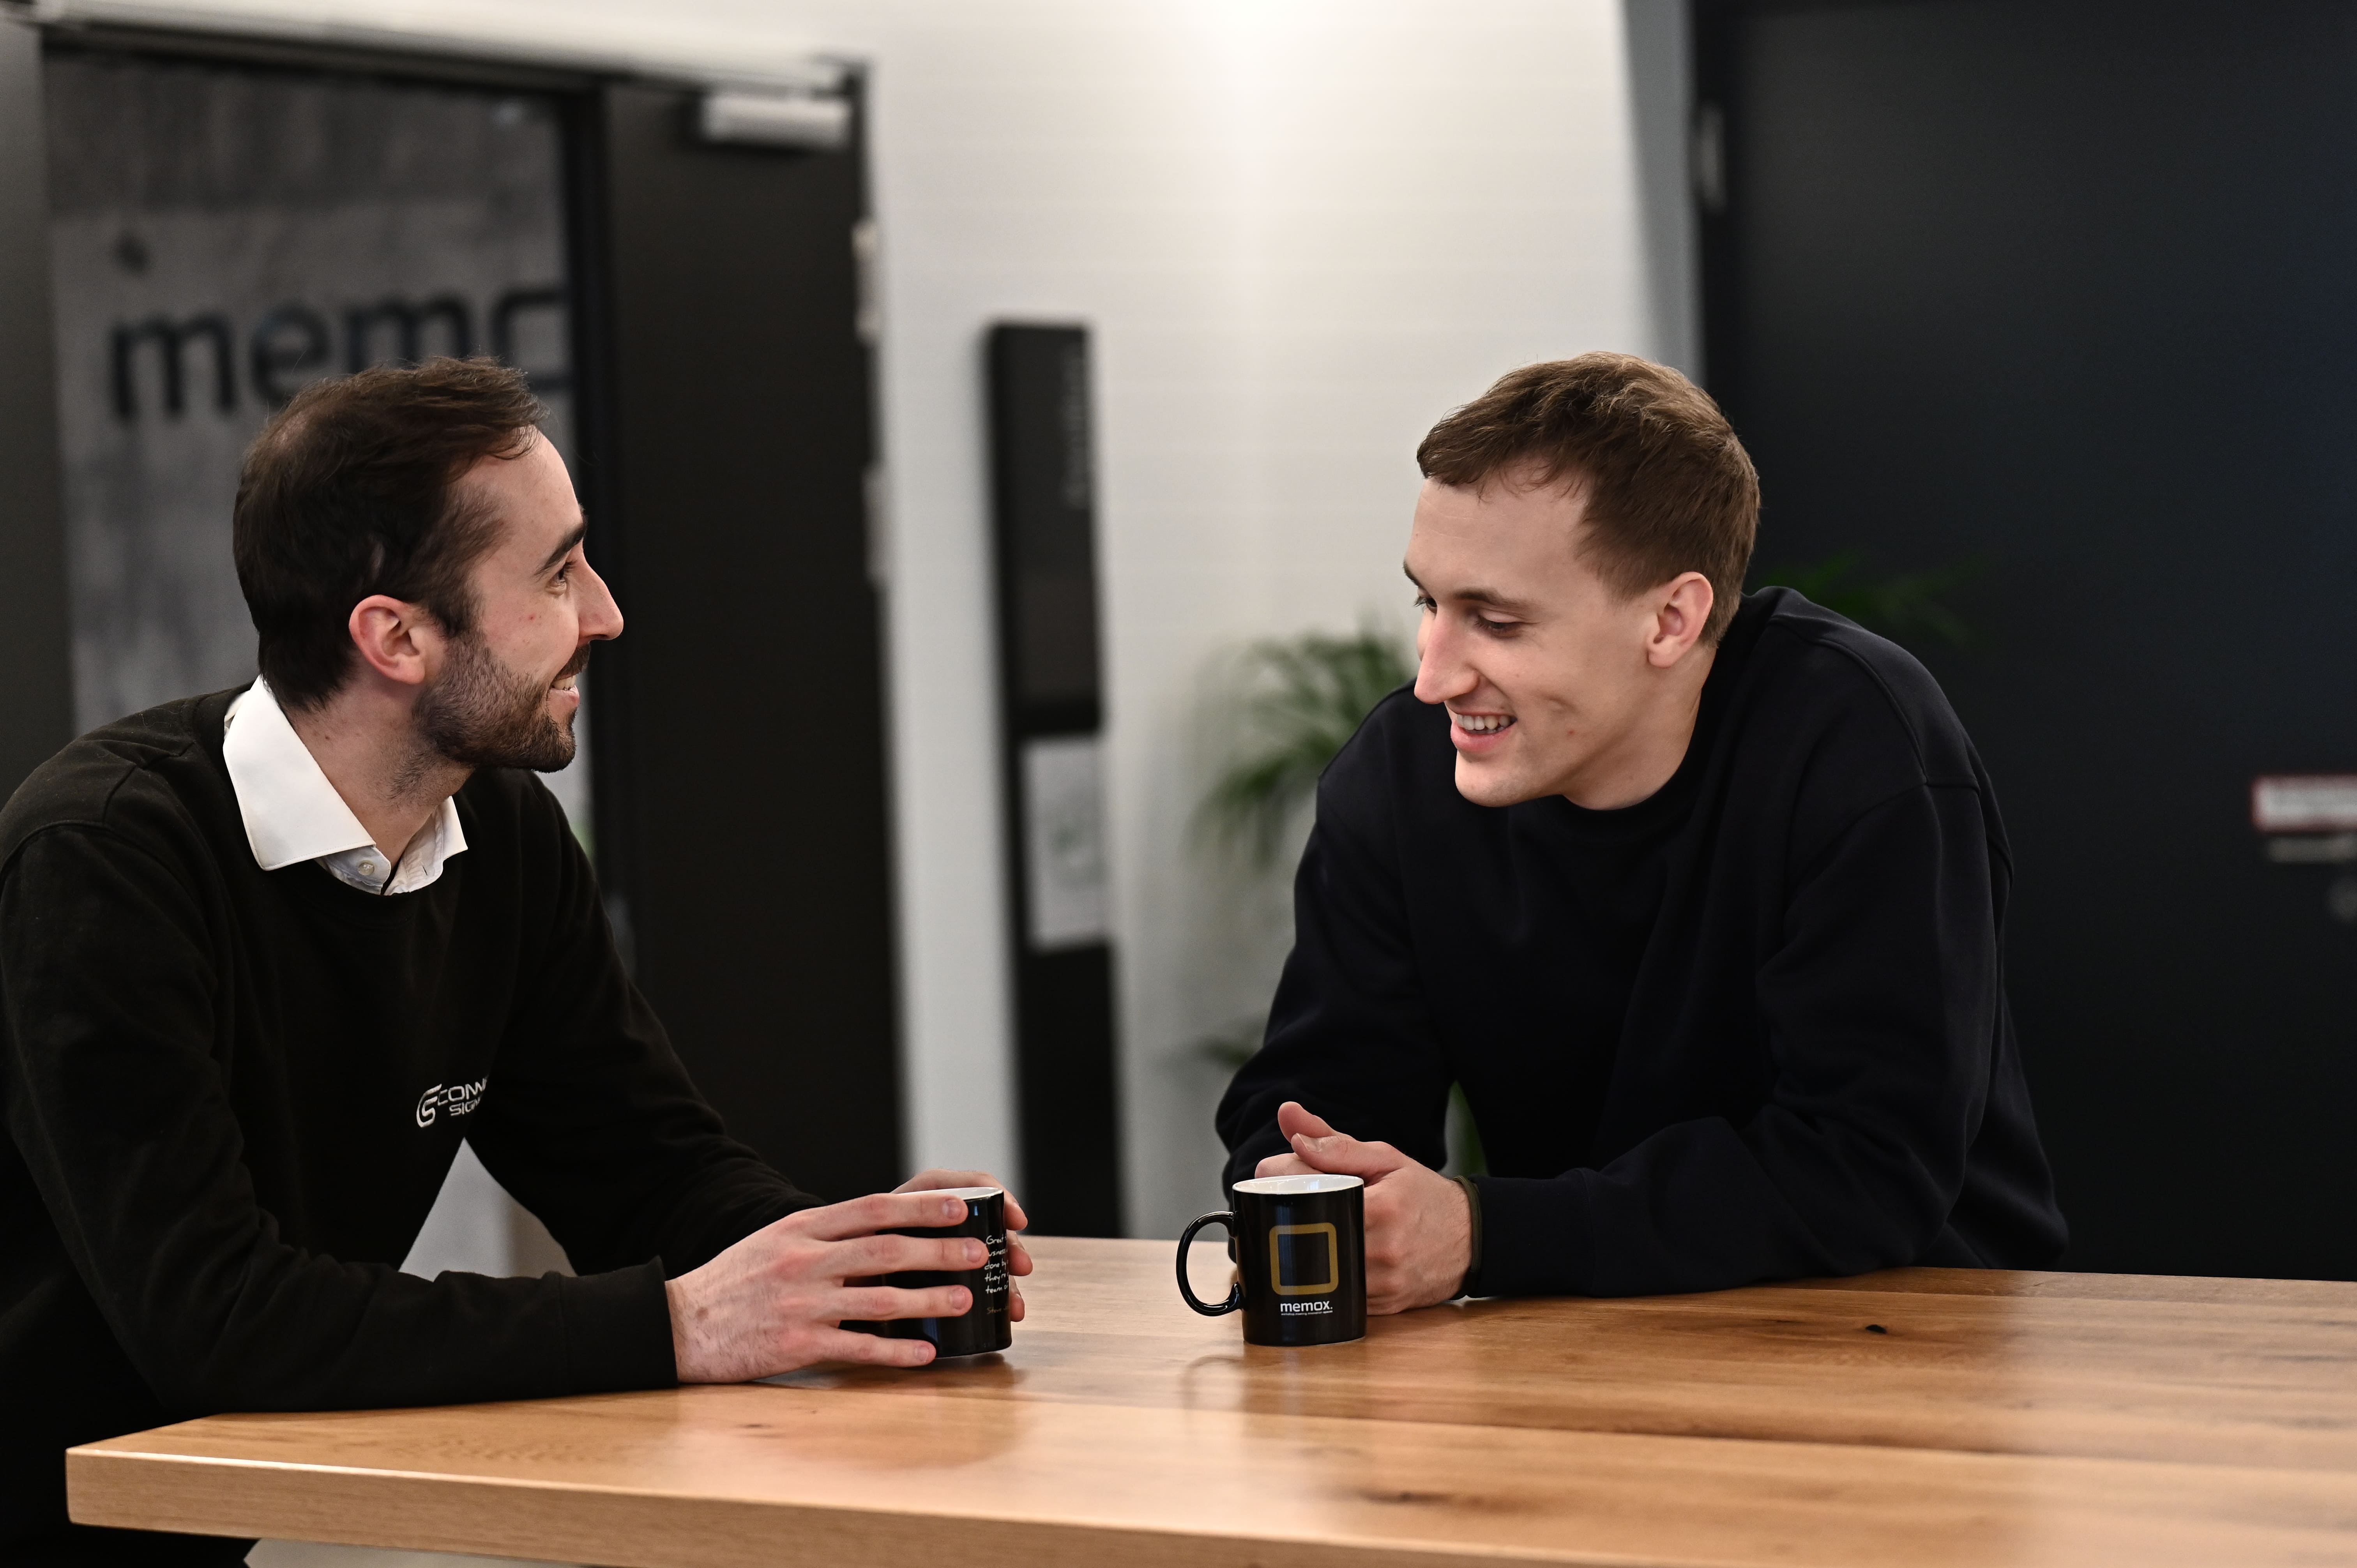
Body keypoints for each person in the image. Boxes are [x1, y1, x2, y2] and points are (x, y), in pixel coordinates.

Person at [0, 359, 1028, 1566]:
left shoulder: (501, 833)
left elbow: (644, 1170)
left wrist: (856, 1264)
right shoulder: (105, 860)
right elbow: (217, 1318)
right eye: (557, 573)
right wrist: (679, 1326)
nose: (604, 613)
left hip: (182, 1516)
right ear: (396, 637)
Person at [1217, 352, 2066, 1314]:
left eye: (1494, 621)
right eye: (1429, 603)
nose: (1434, 676)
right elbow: (1325, 1088)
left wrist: (1486, 1232)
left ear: (1671, 619)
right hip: (1582, 1326)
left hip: (1896, 1328)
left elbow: (1866, 1166)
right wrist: (1307, 1179)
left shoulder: (1856, 745)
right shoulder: (1400, 777)